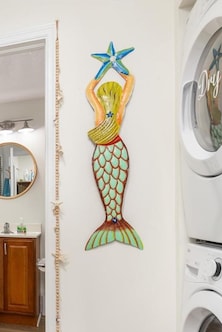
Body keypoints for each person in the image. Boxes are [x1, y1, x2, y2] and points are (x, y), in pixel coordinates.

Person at [85, 42, 143, 250]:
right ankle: (113, 218)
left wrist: (107, 66)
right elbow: (130, 80)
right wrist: (114, 64)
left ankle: (114, 219)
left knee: (113, 184)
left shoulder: (104, 109)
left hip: (109, 150)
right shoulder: (118, 108)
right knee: (110, 185)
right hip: (110, 150)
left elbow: (89, 89)